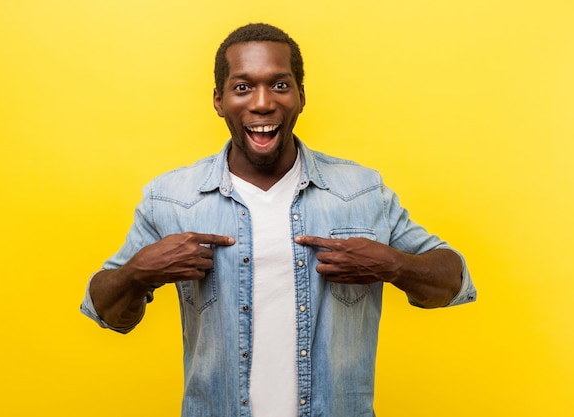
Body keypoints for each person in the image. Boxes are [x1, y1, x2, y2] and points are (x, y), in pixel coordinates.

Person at [81, 23, 476, 417]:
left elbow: (452, 282)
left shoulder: (361, 191)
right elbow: (106, 311)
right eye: (242, 87)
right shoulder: (171, 199)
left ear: (301, 97)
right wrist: (139, 272)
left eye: (280, 85)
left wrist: (394, 264)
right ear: (218, 101)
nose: (262, 103)